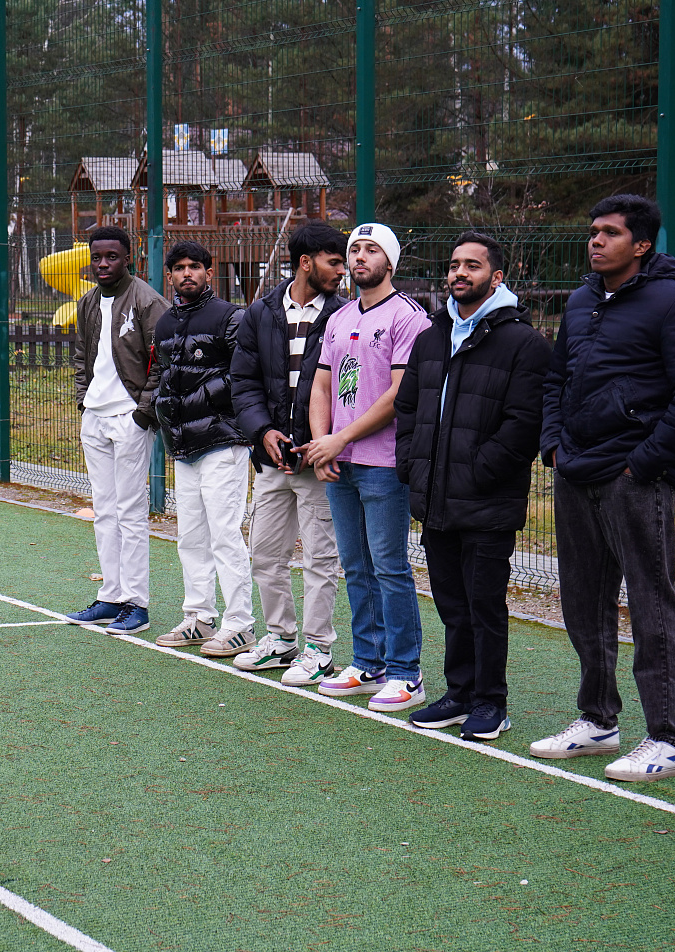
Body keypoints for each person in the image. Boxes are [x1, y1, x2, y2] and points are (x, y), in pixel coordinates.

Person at [533, 194, 675, 782]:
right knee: (583, 600)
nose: (596, 240)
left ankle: (667, 739)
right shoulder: (581, 299)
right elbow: (556, 378)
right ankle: (598, 720)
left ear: (641, 244)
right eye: (593, 230)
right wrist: (554, 445)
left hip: (634, 477)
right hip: (574, 469)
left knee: (651, 603)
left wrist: (645, 461)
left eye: (609, 232)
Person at [396, 231, 551, 740]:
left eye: (473, 266)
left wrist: (477, 471)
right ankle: (459, 694)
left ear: (496, 276)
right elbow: (408, 408)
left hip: (487, 501)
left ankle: (490, 703)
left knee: (484, 607)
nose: (460, 273)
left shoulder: (523, 343)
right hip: (435, 497)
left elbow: (523, 425)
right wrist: (412, 465)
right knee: (452, 605)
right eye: (455, 264)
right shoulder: (432, 336)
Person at [299, 222, 430, 711]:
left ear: (389, 262)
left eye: (371, 250)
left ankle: (406, 672)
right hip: (341, 464)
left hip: (383, 465)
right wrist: (322, 445)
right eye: (355, 249)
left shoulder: (408, 317)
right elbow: (321, 386)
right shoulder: (338, 318)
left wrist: (341, 439)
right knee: (355, 566)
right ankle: (368, 662)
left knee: (389, 567)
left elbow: (399, 394)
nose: (359, 257)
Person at [229, 221, 347, 684]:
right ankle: (280, 640)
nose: (342, 270)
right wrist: (263, 432)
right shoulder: (260, 313)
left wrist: (327, 440)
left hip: (318, 461)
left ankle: (319, 648)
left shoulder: (344, 314)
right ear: (305, 262)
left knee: (320, 559)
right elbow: (243, 382)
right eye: (333, 262)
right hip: (272, 461)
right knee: (264, 554)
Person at [149, 241, 256, 657]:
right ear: (170, 276)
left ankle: (240, 624)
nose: (187, 273)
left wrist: (193, 400)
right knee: (190, 536)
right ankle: (199, 617)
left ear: (208, 273)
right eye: (179, 268)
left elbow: (242, 376)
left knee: (225, 535)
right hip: (184, 446)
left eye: (194, 266)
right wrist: (165, 410)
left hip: (223, 441)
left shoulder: (230, 317)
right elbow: (164, 377)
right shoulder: (164, 323)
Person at [65, 226, 170, 635]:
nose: (103, 264)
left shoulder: (147, 300)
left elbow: (163, 360)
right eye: (97, 257)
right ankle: (110, 596)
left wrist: (142, 413)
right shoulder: (88, 302)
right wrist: (83, 399)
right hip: (94, 417)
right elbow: (81, 355)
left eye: (112, 256)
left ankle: (136, 605)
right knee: (104, 510)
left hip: (129, 418)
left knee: (130, 511)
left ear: (129, 258)